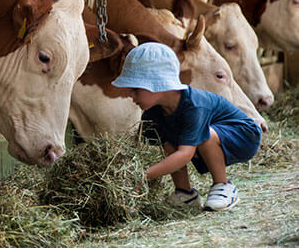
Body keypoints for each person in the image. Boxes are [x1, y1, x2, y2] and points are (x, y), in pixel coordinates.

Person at [111, 42, 262, 211]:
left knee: (207, 134)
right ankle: (185, 193)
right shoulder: (154, 113)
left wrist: (143, 175)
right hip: (210, 137)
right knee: (168, 139)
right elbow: (169, 149)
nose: (130, 95)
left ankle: (223, 185)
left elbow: (184, 155)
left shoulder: (195, 106)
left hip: (243, 135)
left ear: (156, 84)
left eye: (135, 88)